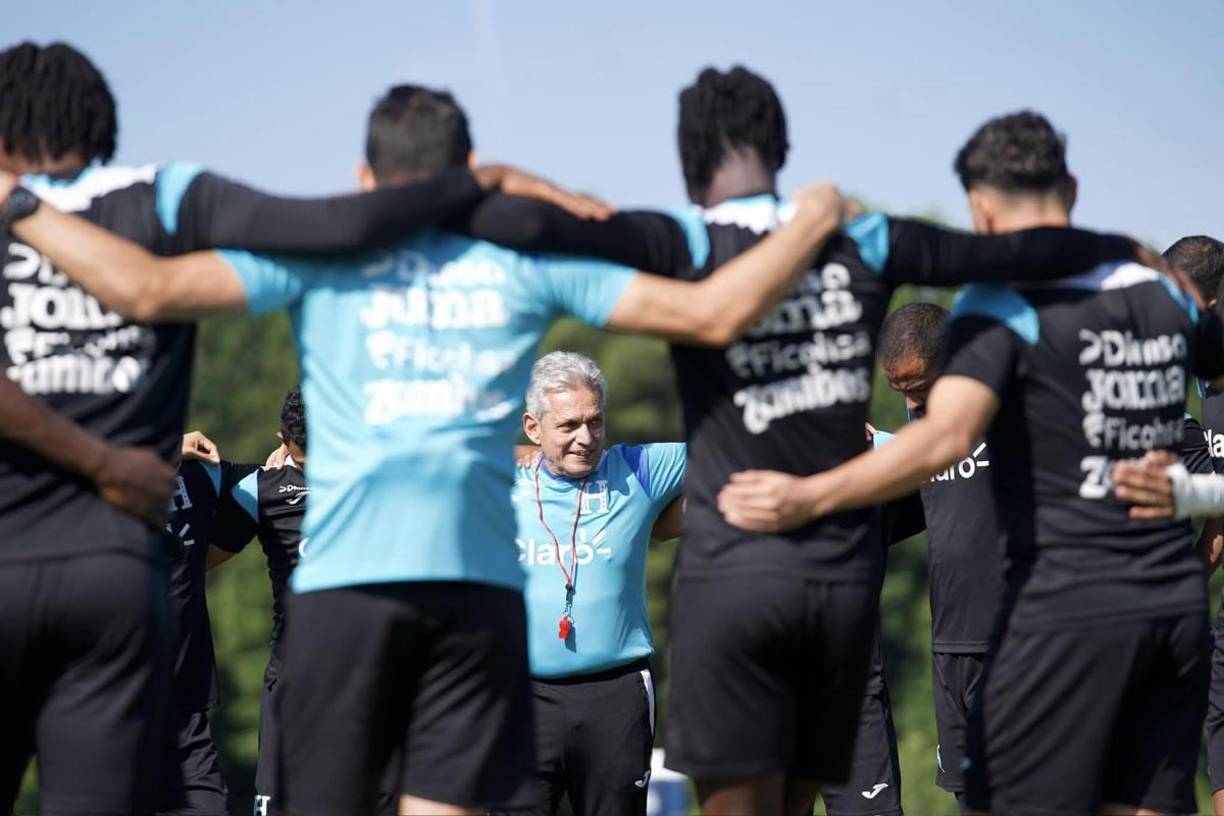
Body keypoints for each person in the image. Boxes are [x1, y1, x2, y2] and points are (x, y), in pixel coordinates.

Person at [0, 78, 855, 815]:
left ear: (367, 178)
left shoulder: (317, 260)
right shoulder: (519, 268)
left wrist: (19, 203)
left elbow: (142, 287)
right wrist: (808, 221)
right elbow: (713, 313)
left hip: (342, 601)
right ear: (461, 176)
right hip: (471, 601)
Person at [454, 67, 1150, 815]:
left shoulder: (685, 240)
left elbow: (521, 215)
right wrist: (1127, 250)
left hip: (735, 585)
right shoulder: (865, 238)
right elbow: (1020, 252)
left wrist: (523, 183)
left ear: (690, 166)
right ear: (782, 146)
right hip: (836, 591)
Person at [0, 39, 606, 815]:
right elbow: (320, 227)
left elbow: (168, 283)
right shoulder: (166, 196)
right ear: (101, 126)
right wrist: (478, 185)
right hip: (110, 580)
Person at [716, 110, 1224, 815]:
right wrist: (1189, 496)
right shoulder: (1156, 285)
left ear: (981, 210)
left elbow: (947, 438)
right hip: (1163, 614)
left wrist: (811, 495)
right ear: (1072, 186)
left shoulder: (1002, 306)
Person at [513, 351, 684, 816]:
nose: (585, 439)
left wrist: (848, 436)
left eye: (595, 422)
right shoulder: (500, 478)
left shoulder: (639, 469)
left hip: (616, 696)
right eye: (568, 426)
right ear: (534, 427)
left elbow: (738, 450)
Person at [872, 302, 1003, 814]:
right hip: (950, 649)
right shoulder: (919, 443)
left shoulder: (1009, 415)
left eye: (919, 388)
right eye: (899, 393)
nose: (912, 403)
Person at [202, 387, 310, 816]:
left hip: (327, 672)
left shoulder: (261, 489)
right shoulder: (263, 489)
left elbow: (198, 560)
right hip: (324, 673)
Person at [160, 439, 257, 815]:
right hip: (122, 688)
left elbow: (265, 486)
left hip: (172, 698)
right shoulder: (199, 471)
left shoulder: (200, 471)